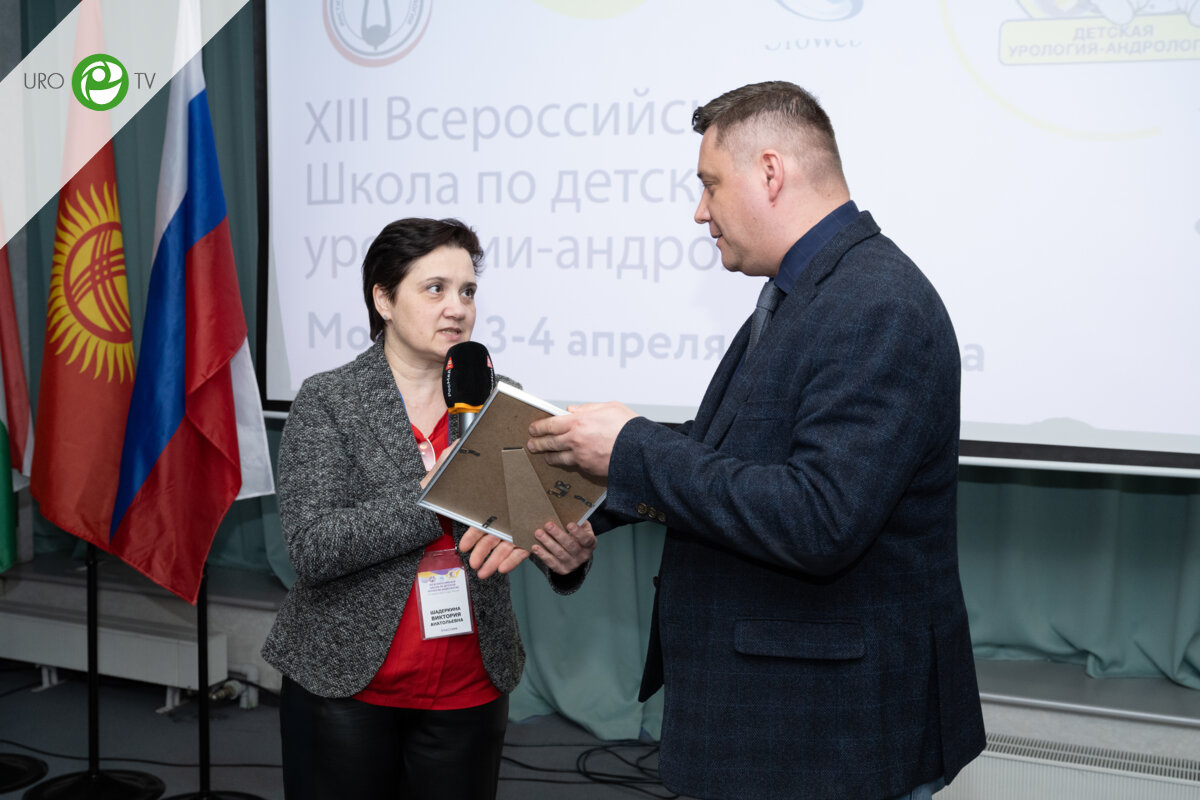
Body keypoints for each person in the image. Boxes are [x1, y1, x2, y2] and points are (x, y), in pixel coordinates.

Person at [523, 82, 987, 799]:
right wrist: (590, 498)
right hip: (787, 727)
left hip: (828, 738)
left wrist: (632, 448)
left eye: (709, 184)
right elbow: (730, 452)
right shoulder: (809, 290)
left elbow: (819, 518)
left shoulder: (876, 303)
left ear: (771, 172)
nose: (699, 211)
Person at [262, 217, 597, 800]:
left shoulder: (498, 399)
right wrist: (443, 491)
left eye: (467, 291)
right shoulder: (329, 399)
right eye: (435, 288)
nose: (457, 308)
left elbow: (532, 521)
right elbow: (314, 548)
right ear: (384, 300)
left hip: (470, 686)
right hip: (347, 684)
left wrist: (567, 559)